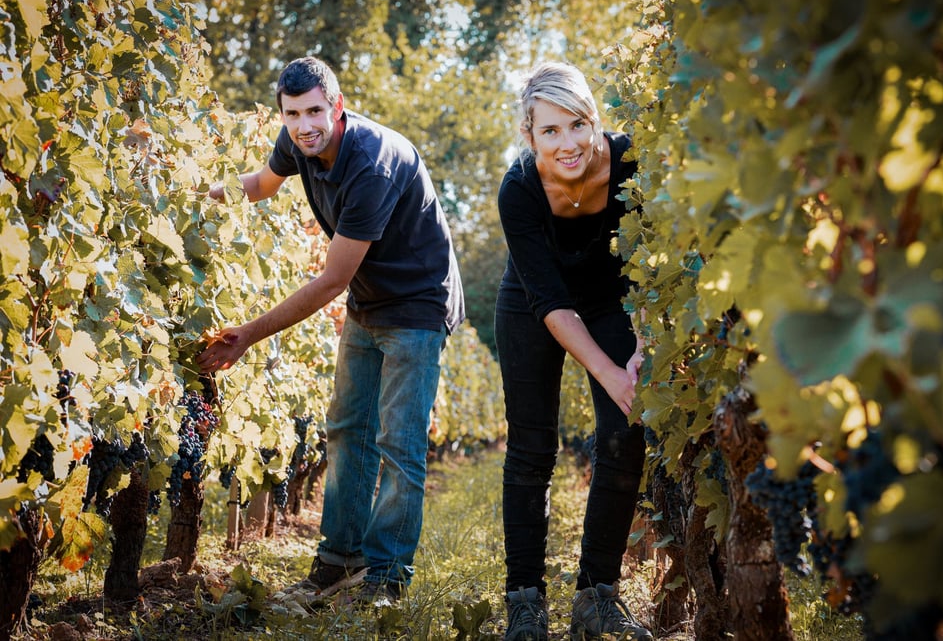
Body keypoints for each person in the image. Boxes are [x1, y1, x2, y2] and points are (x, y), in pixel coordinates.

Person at [197, 56, 464, 607]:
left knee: (398, 442)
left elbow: (330, 282)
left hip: (416, 303)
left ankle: (386, 578)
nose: (303, 125)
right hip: (371, 301)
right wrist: (200, 195)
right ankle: (339, 562)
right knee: (346, 429)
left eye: (314, 111)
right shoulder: (299, 139)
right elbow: (263, 185)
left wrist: (248, 334)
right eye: (292, 114)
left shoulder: (372, 163)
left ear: (337, 107)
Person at [494, 61, 653, 640]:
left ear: (595, 121)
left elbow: (652, 269)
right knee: (531, 446)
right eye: (550, 131)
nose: (568, 144)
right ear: (528, 135)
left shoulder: (632, 161)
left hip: (611, 298)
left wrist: (638, 351)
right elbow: (553, 306)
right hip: (535, 301)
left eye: (577, 125)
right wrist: (608, 371)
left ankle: (596, 595)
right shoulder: (519, 190)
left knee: (623, 431)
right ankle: (525, 604)